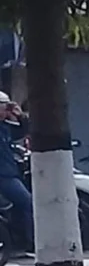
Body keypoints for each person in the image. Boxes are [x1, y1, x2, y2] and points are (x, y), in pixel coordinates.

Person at [0, 91, 32, 250]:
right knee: (28, 203)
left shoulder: (5, 127)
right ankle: (32, 244)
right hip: (4, 176)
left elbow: (23, 131)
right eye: (5, 107)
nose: (7, 111)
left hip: (9, 173)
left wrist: (19, 116)